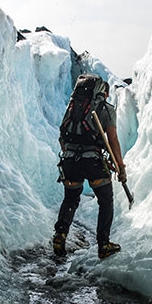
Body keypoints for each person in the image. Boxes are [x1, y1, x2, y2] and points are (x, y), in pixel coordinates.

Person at [52, 75, 127, 259]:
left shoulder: (72, 108)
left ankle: (60, 235)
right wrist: (120, 166)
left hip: (70, 161)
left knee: (70, 200)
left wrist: (72, 153)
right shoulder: (106, 108)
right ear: (104, 93)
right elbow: (113, 140)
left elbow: (62, 136)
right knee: (106, 200)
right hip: (93, 162)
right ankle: (104, 244)